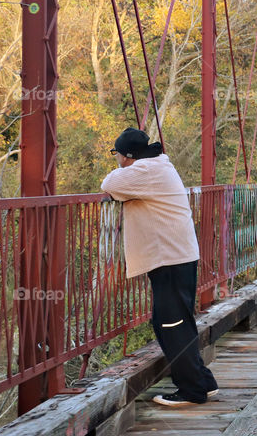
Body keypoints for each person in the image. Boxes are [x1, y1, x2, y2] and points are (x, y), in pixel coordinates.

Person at [101, 127, 218, 407]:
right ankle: (203, 382)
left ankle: (192, 391)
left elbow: (109, 184)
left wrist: (124, 187)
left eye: (117, 154)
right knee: (177, 322)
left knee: (171, 324)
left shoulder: (145, 171)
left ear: (128, 156)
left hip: (170, 259)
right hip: (175, 256)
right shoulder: (155, 167)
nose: (116, 159)